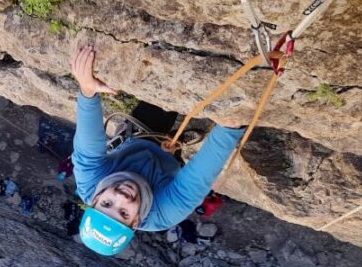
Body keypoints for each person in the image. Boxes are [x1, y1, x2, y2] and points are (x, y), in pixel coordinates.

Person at [70, 45, 245, 256]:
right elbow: (197, 178)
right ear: (135, 222)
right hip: (167, 171)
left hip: (138, 138)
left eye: (107, 203)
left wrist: (87, 90)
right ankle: (178, 141)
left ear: (95, 200)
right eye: (124, 213)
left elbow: (88, 145)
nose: (121, 197)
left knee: (169, 84)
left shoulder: (90, 182)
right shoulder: (163, 215)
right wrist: (228, 128)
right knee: (191, 140)